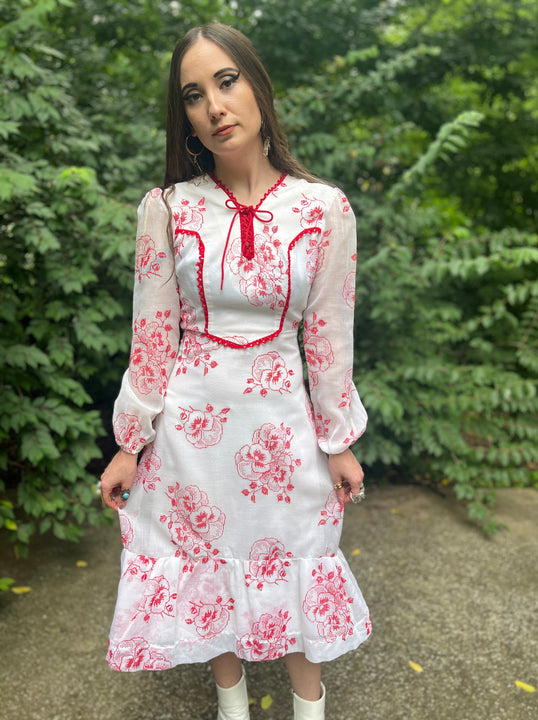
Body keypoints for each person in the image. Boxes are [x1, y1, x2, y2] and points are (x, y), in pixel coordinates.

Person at [100, 23, 371, 720]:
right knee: (202, 562)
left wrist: (337, 439)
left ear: (257, 85)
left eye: (226, 81)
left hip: (285, 430)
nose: (214, 105)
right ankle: (232, 703)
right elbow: (153, 335)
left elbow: (330, 333)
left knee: (300, 554)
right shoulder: (167, 209)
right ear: (185, 116)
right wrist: (131, 442)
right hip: (188, 437)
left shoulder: (325, 208)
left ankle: (308, 708)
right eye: (194, 94)